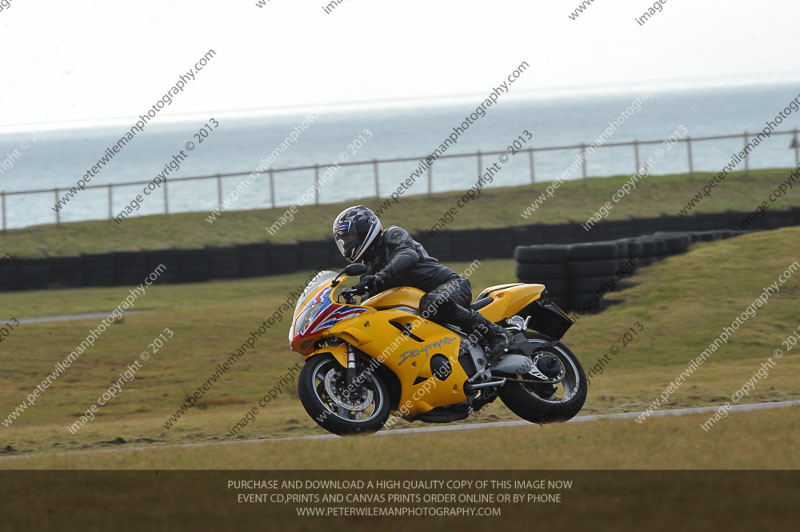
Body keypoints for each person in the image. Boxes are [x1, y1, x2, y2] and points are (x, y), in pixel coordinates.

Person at [332, 205, 512, 355]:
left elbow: (408, 255)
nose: (347, 245)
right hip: (421, 309)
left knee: (431, 302)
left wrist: (381, 276)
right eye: (343, 242)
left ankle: (496, 333)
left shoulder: (392, 235)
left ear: (364, 229)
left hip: (451, 285)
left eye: (349, 238)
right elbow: (370, 307)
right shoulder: (367, 270)